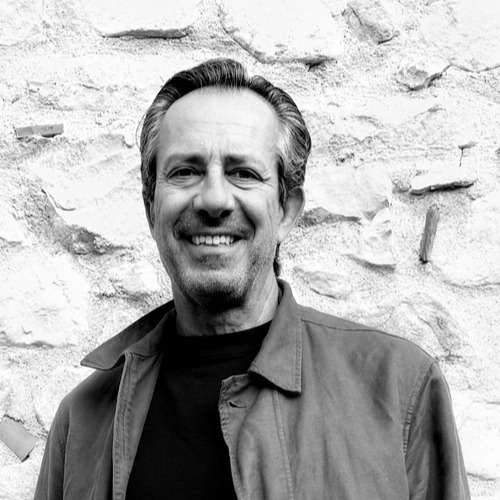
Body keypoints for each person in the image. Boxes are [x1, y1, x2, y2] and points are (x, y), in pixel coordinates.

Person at [35, 59, 470, 500]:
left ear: (286, 211)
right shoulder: (84, 421)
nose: (214, 199)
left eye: (243, 173)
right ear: (151, 209)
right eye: (185, 171)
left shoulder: (399, 388)